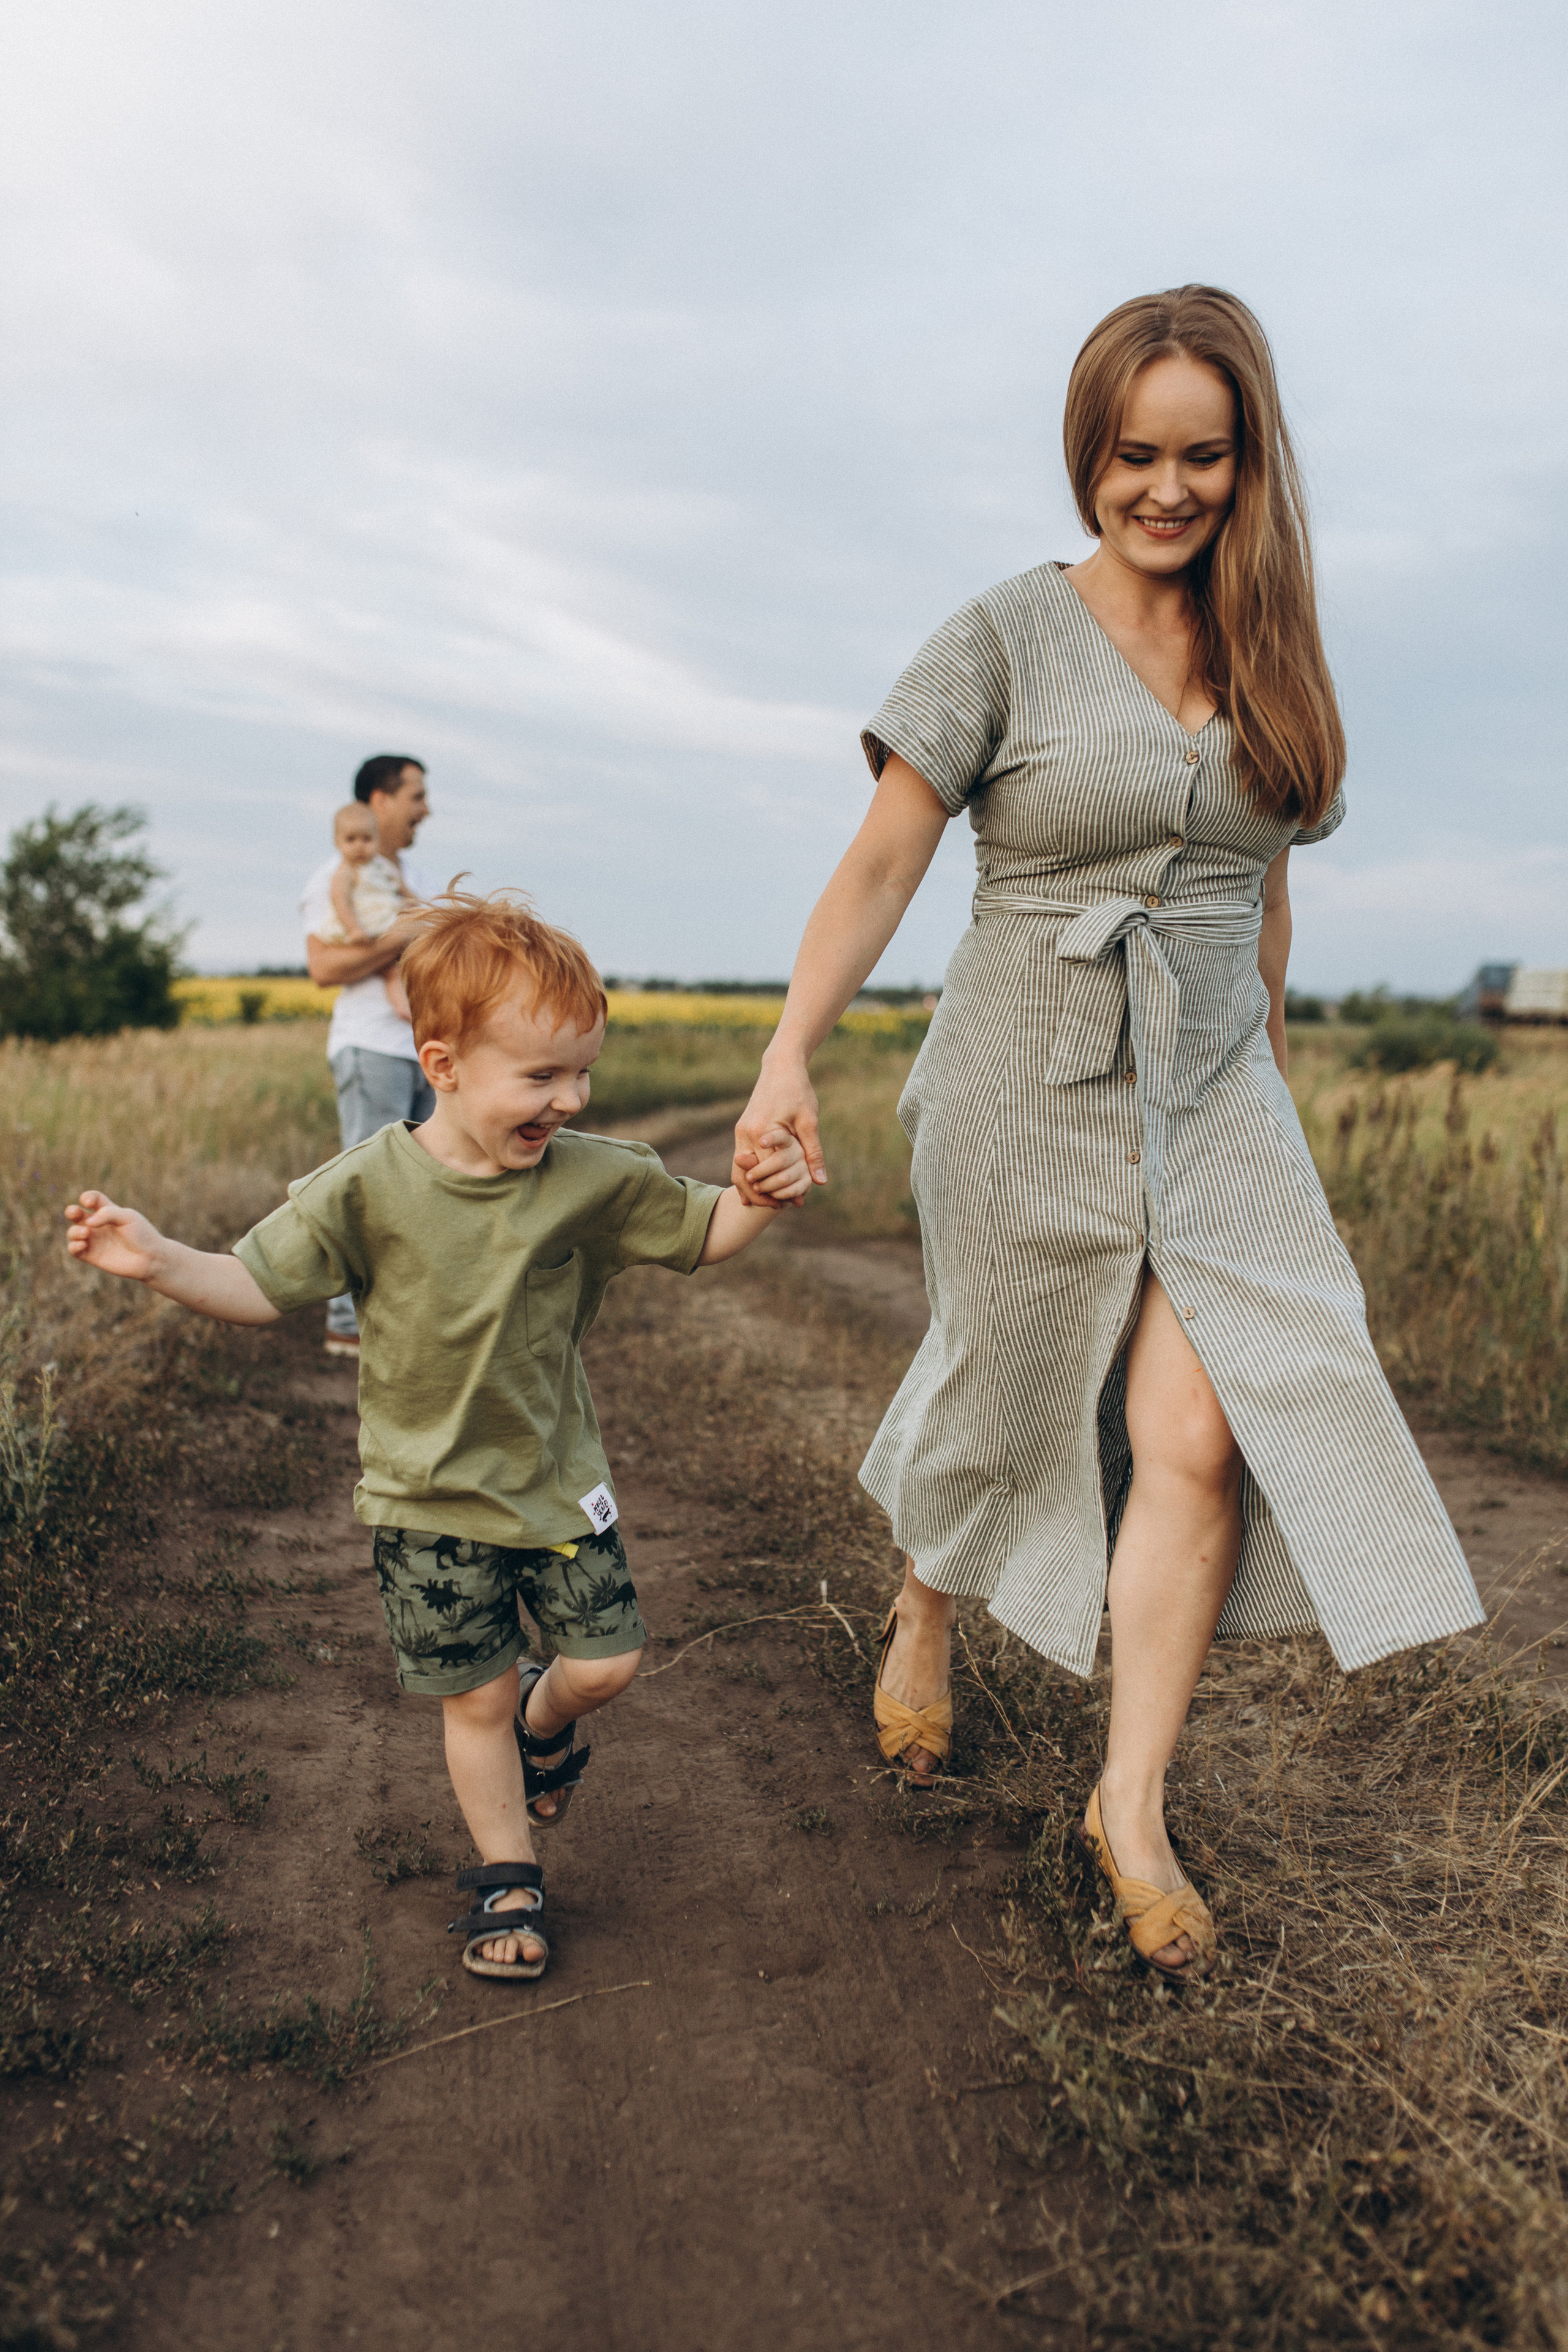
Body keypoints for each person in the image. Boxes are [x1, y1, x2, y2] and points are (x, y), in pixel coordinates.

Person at [731, 284, 1482, 1981]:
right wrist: (786, 1056)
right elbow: (882, 861)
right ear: (1088, 451)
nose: (1165, 488)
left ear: (1247, 459)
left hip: (1215, 1091)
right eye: (1132, 453)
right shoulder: (1002, 634)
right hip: (1027, 1066)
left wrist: (1270, 1082)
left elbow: (1262, 891)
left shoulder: (1275, 649)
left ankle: (1126, 1805)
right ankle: (928, 1602)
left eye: (1200, 456)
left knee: (1200, 1432)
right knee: (1012, 1383)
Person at [66, 891, 810, 1982]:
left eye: (583, 1073)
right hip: (425, 1501)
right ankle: (509, 1879)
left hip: (555, 1486)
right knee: (474, 1698)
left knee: (606, 1664)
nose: (571, 1099)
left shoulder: (595, 1176)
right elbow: (257, 1285)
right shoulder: (366, 1188)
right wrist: (159, 1260)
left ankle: (545, 1730)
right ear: (443, 1065)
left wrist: (759, 1192)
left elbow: (707, 1231)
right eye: (542, 1076)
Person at [302, 755, 434, 1360]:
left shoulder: (409, 877)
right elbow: (323, 966)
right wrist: (397, 940)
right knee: (367, 1186)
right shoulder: (338, 874)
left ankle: (400, 1321)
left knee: (424, 1190)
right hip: (371, 1047)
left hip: (422, 1052)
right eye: (416, 796)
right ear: (379, 801)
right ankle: (345, 1325)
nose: (425, 810)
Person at [319, 803, 419, 1022]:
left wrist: (414, 905)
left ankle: (410, 1005)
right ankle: (404, 1007)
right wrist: (354, 929)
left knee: (402, 965)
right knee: (392, 969)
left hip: (385, 921)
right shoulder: (345, 872)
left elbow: (402, 889)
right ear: (337, 843)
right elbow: (341, 902)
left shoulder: (383, 867)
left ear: (376, 839)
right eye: (351, 840)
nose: (359, 846)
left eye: (367, 839)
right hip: (365, 927)